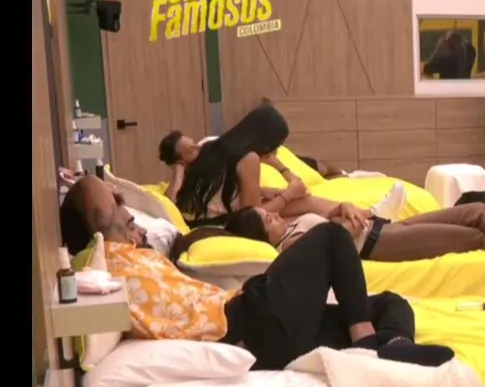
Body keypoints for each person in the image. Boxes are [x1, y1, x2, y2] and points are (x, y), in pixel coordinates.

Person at [61, 176, 453, 370]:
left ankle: (391, 347)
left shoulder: (130, 259)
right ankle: (369, 347)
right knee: (331, 237)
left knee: (390, 303)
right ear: (99, 228)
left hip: (272, 337)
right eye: (123, 216)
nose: (135, 226)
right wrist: (102, 187)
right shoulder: (108, 259)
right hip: (248, 321)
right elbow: (90, 192)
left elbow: (100, 205)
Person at [183, 201, 485, 266]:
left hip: (383, 226)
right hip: (378, 244)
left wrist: (343, 207)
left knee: (478, 212)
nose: (273, 215)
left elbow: (331, 211)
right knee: (478, 238)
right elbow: (338, 241)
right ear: (262, 236)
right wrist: (343, 221)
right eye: (266, 218)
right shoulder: (289, 246)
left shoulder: (290, 226)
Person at [174, 105, 340, 227]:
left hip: (194, 218)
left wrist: (263, 191)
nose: (275, 151)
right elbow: (253, 216)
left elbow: (218, 190)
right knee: (305, 204)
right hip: (213, 224)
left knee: (303, 206)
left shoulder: (213, 146)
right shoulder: (249, 158)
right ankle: (348, 217)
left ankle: (344, 214)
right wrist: (288, 195)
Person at [161, 131, 345, 181]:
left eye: (194, 142)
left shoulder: (211, 144)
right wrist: (179, 171)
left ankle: (346, 175)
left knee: (324, 169)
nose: (198, 147)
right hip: (264, 172)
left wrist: (285, 171)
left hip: (275, 159)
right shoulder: (192, 178)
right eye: (191, 150)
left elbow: (263, 153)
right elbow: (173, 200)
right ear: (181, 161)